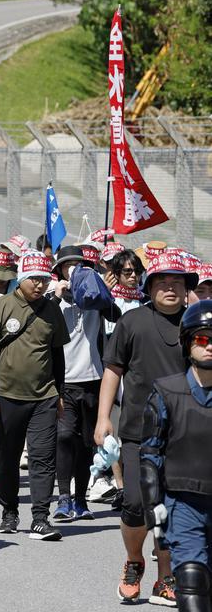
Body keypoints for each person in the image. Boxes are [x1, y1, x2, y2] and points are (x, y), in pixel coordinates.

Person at [95, 248, 199, 605]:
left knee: (171, 508)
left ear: (186, 288)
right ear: (149, 286)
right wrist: (103, 418)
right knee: (136, 504)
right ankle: (134, 560)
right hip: (138, 432)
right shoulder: (132, 322)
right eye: (162, 282)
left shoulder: (196, 324)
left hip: (185, 434)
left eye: (177, 282)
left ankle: (165, 577)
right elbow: (113, 370)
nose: (170, 288)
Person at [0, 249, 71, 540]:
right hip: (6, 397)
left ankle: (41, 518)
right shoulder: (0, 307)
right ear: (21, 278)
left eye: (44, 279)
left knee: (43, 458)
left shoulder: (52, 310)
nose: (39, 285)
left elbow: (57, 356)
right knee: (6, 458)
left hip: (44, 397)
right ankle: (9, 510)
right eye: (34, 279)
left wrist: (59, 392)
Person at [140, 300, 212, 612]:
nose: (209, 346)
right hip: (184, 504)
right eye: (202, 338)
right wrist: (153, 505)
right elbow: (150, 454)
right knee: (193, 580)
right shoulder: (167, 392)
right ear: (187, 343)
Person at [49, 245, 122, 522]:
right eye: (67, 266)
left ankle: (80, 499)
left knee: (85, 442)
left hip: (93, 379)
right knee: (64, 436)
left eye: (79, 265)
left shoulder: (94, 296)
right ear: (59, 271)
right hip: (64, 381)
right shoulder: (52, 299)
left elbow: (116, 315)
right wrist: (57, 296)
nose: (73, 270)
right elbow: (41, 324)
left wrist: (101, 291)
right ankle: (63, 498)